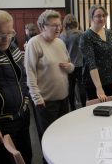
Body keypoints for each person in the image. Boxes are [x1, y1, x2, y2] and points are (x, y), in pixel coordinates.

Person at [0, 9, 32, 164]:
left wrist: (26, 99)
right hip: (0, 124)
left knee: (26, 157)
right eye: (1, 35)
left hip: (22, 117)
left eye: (10, 33)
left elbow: (22, 76)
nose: (6, 39)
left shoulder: (13, 46)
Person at [25, 10, 74, 140]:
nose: (58, 28)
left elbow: (69, 65)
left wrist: (70, 67)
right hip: (46, 102)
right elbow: (30, 71)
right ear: (42, 27)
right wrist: (36, 97)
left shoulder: (60, 42)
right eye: (54, 25)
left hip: (63, 98)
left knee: (63, 134)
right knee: (49, 138)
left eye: (59, 24)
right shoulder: (34, 43)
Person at [80, 5, 112, 101]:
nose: (102, 18)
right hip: (94, 83)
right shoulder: (86, 36)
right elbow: (91, 64)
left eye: (104, 15)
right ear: (92, 18)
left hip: (111, 80)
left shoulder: (108, 32)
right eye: (98, 16)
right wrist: (99, 88)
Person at [60, 14, 86, 110]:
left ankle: (72, 107)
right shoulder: (80, 34)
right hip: (79, 64)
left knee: (70, 87)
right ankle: (84, 106)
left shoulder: (62, 35)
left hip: (67, 65)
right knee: (81, 86)